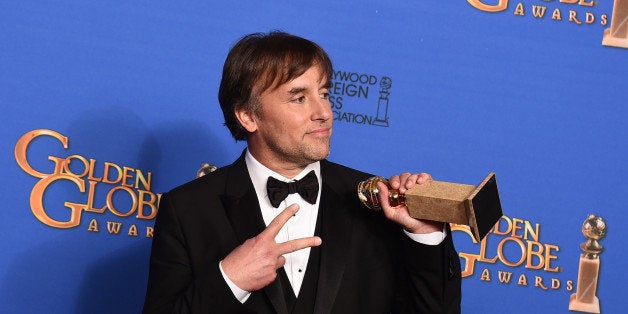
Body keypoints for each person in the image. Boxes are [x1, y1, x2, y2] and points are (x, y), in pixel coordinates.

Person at [142, 31, 461, 313]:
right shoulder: (188, 209)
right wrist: (230, 280)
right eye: (299, 98)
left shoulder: (377, 203)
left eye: (324, 93)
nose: (324, 113)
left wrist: (424, 236)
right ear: (248, 116)